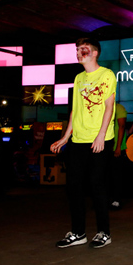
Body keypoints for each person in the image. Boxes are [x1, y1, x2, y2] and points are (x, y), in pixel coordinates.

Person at [51, 37, 116, 248]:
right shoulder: (78, 78)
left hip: (99, 139)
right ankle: (78, 233)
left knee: (97, 185)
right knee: (73, 186)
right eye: (78, 49)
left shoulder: (106, 74)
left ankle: (104, 232)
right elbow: (75, 111)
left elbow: (109, 106)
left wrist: (101, 135)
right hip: (78, 139)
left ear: (95, 52)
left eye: (84, 49)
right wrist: (65, 137)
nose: (79, 52)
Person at [109, 102, 128, 210]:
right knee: (106, 175)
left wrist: (118, 147)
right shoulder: (103, 106)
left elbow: (122, 126)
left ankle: (117, 200)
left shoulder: (119, 108)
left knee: (116, 175)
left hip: (117, 146)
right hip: (105, 147)